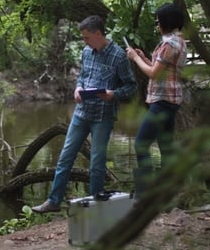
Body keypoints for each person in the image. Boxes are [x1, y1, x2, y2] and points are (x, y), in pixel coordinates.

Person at [31, 15, 137, 213]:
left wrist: (113, 94)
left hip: (103, 116)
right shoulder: (86, 52)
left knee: (97, 163)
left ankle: (95, 205)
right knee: (65, 158)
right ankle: (54, 201)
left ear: (98, 33)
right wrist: (77, 88)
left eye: (87, 37)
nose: (84, 41)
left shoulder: (118, 56)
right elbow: (82, 76)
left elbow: (131, 86)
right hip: (81, 113)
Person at [126, 3, 187, 199]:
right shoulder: (178, 41)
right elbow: (161, 70)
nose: (156, 24)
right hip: (170, 100)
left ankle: (145, 193)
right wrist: (144, 57)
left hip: (162, 101)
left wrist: (135, 58)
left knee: (141, 144)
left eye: (158, 20)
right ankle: (166, 191)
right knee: (165, 145)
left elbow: (153, 74)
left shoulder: (169, 44)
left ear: (165, 22)